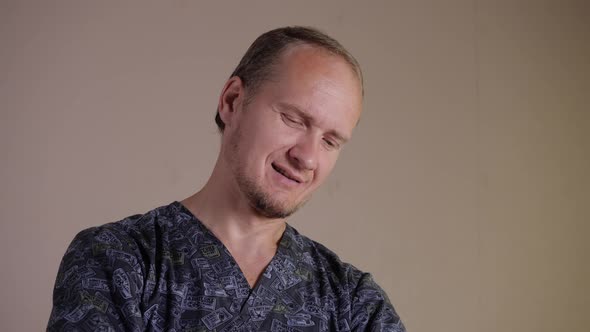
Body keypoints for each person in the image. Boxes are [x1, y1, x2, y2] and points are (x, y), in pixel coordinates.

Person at [48, 26, 405, 332]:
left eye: (330, 141)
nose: (307, 157)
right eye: (294, 119)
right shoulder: (117, 261)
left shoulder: (354, 303)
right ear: (232, 101)